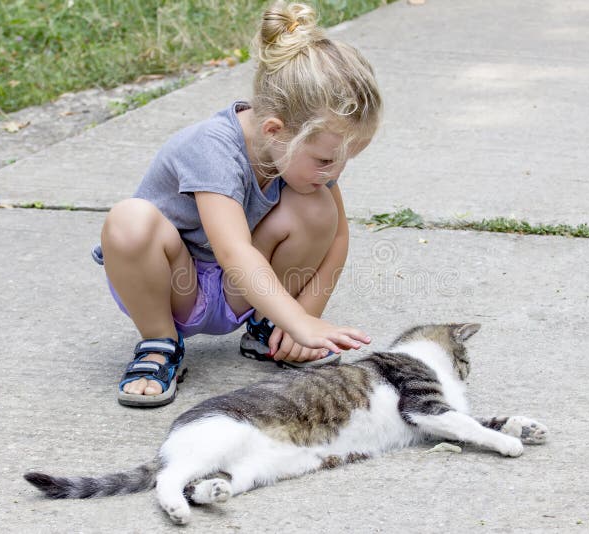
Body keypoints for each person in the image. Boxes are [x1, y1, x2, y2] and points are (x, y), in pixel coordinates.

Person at [95, 0, 382, 407]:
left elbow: (337, 236)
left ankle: (268, 329)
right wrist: (298, 320)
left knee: (318, 208)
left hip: (243, 288)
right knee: (129, 219)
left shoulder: (300, 151)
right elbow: (232, 251)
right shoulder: (212, 148)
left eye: (344, 160)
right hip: (175, 286)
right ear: (274, 130)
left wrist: (306, 316)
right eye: (325, 160)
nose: (334, 172)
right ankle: (160, 343)